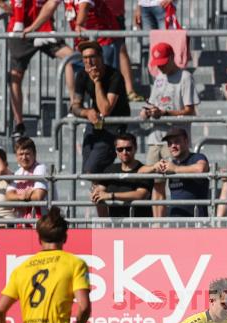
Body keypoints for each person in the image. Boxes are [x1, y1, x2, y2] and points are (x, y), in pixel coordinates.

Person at [0, 0, 74, 139]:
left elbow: (51, 4)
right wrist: (3, 5)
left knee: (71, 58)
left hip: (43, 28)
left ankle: (74, 105)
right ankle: (19, 124)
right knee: (15, 76)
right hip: (21, 31)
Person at [140, 43, 199, 202]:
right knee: (157, 185)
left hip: (175, 140)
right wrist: (147, 111)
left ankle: (178, 218)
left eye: (164, 63)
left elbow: (190, 111)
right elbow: (153, 104)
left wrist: (165, 113)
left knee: (178, 183)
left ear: (172, 58)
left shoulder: (185, 77)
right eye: (158, 64)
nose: (161, 67)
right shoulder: (159, 78)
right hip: (155, 139)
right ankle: (158, 225)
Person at [71, 40, 132, 176]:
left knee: (92, 169)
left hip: (114, 126)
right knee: (88, 171)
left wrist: (97, 81)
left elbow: (106, 110)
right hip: (96, 124)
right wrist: (86, 112)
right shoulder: (81, 75)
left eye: (92, 57)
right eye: (85, 58)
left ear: (101, 57)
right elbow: (74, 107)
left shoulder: (114, 76)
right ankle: (103, 194)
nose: (88, 61)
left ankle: (107, 192)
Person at [139, 127, 209, 217]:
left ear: (186, 141)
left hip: (197, 220)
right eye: (169, 143)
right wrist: (154, 166)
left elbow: (201, 168)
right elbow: (140, 172)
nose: (173, 146)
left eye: (177, 142)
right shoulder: (169, 163)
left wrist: (175, 169)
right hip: (175, 221)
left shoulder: (197, 157)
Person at [90, 132, 154, 217]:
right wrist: (95, 192)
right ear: (116, 151)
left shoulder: (144, 170)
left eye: (128, 148)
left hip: (139, 225)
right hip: (115, 225)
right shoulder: (110, 169)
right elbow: (100, 190)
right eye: (120, 149)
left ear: (135, 148)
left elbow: (140, 194)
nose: (124, 152)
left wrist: (111, 196)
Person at [6, 137, 48, 220]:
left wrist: (18, 196)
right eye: (21, 154)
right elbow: (8, 196)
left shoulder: (40, 168)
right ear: (16, 156)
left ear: (34, 154)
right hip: (23, 222)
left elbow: (38, 196)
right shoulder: (17, 173)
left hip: (42, 222)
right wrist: (22, 196)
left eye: (27, 153)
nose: (24, 157)